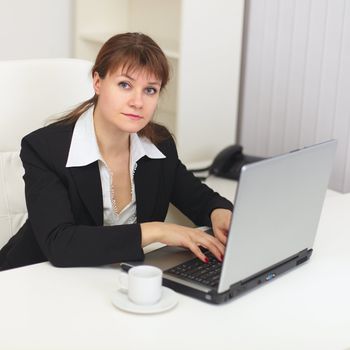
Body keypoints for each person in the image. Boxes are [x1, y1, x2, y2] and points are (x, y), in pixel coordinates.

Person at [0, 32, 233, 271]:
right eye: (125, 85)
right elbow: (60, 244)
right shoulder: (44, 149)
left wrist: (218, 212)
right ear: (98, 82)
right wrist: (157, 231)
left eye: (150, 90)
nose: (138, 102)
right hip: (30, 280)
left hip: (109, 284)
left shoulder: (159, 145)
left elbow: (199, 198)